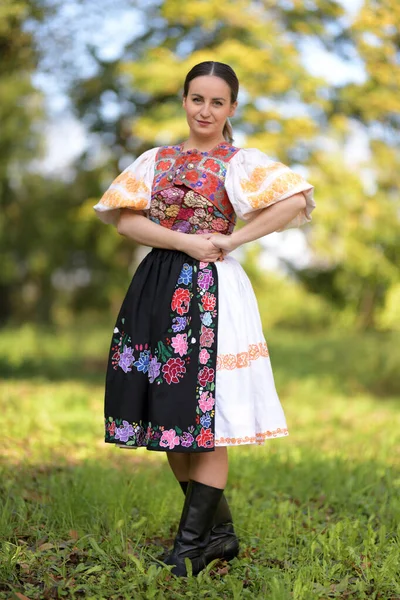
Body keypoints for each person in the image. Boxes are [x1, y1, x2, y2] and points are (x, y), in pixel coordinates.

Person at [93, 60, 315, 577]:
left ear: (232, 108)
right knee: (170, 421)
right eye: (198, 99)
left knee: (205, 422)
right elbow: (125, 220)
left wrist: (232, 240)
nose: (206, 110)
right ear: (184, 100)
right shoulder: (156, 159)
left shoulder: (240, 162)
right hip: (156, 286)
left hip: (212, 291)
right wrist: (182, 241)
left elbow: (296, 200)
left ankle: (189, 549)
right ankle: (219, 535)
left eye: (218, 102)